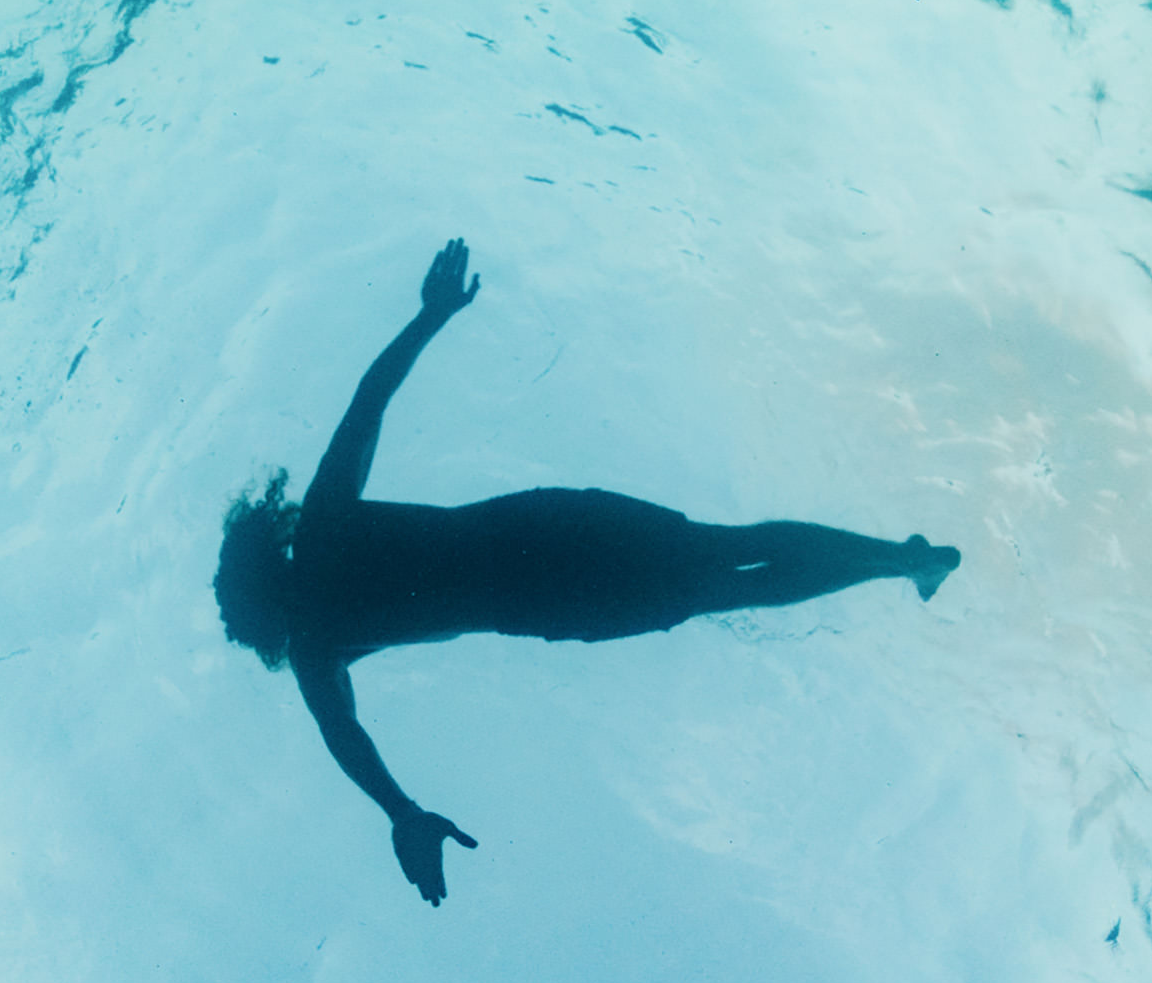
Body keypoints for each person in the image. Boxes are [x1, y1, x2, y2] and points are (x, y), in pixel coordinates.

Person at [215, 240, 959, 905]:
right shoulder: (319, 528)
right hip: (542, 524)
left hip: (547, 602)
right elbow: (368, 404)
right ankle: (904, 555)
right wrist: (431, 315)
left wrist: (404, 812)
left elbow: (346, 738)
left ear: (264, 621)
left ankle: (900, 564)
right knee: (723, 545)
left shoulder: (313, 644)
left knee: (728, 586)